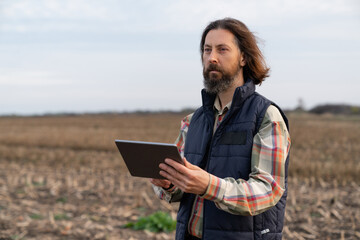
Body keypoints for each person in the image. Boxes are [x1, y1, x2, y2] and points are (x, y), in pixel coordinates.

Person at [150, 18, 291, 240]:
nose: (211, 57)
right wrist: (168, 183)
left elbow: (268, 190)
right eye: (207, 50)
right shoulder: (192, 120)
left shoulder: (266, 116)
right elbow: (181, 190)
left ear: (243, 57)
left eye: (222, 49)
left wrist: (209, 185)